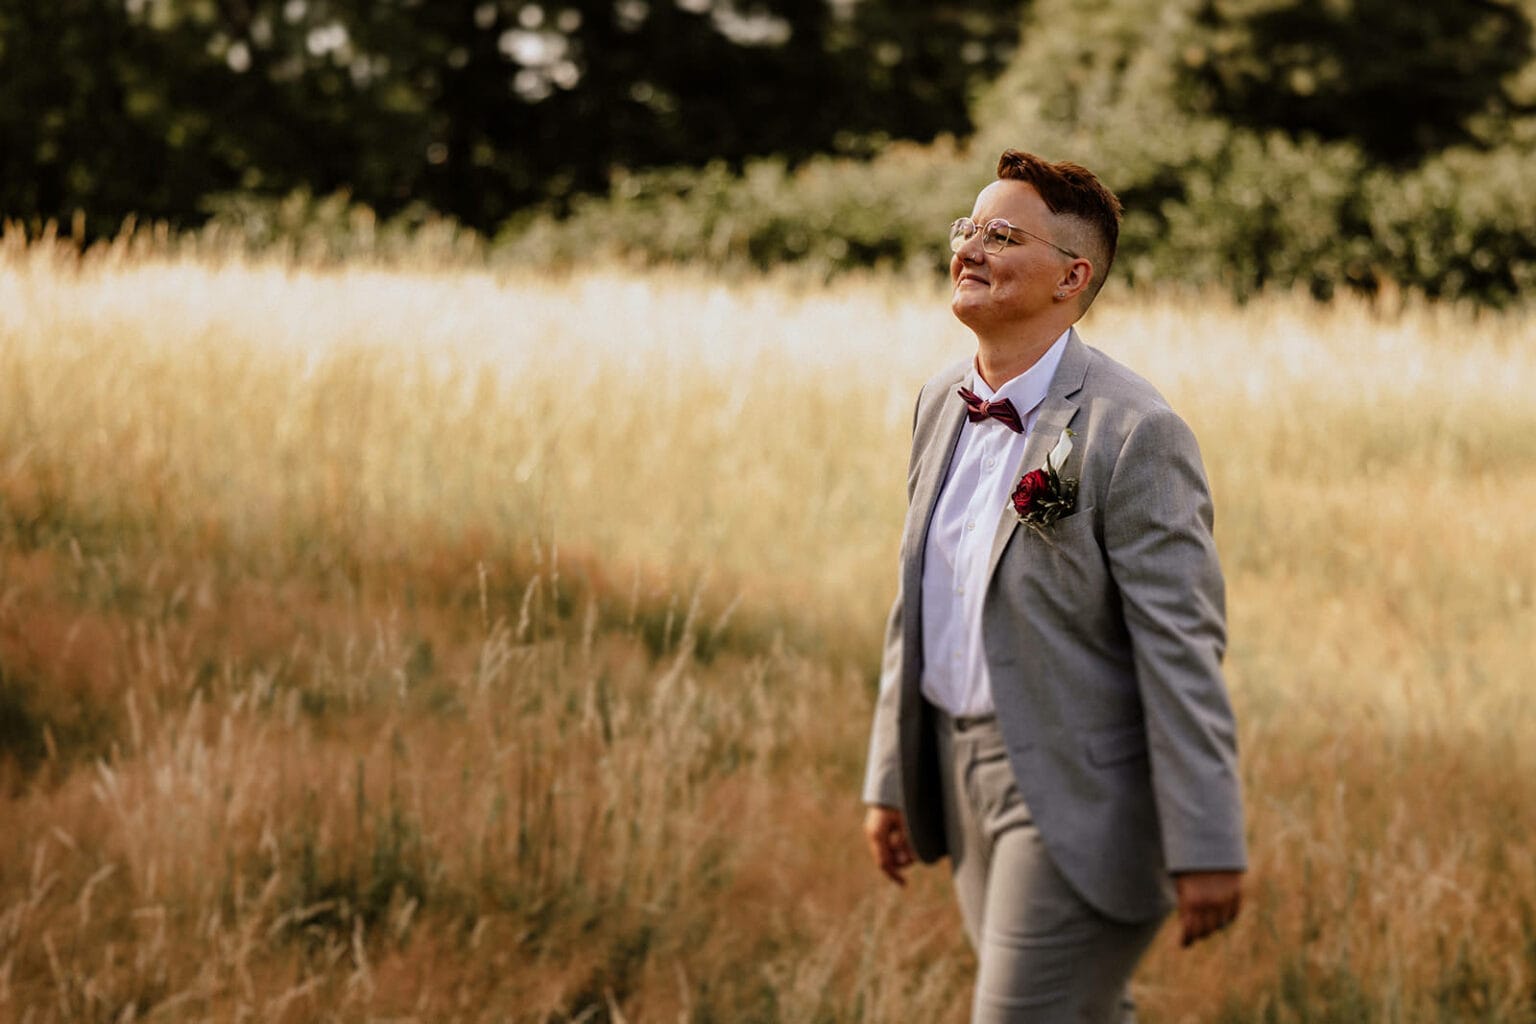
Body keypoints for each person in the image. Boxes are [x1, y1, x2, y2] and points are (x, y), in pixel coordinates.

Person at [861, 150, 1247, 1023]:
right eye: (967, 228)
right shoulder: (937, 403)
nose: (970, 248)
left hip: (1081, 794)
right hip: (961, 782)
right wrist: (893, 774)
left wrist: (1209, 837)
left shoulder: (1134, 430)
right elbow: (915, 602)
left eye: (1002, 235)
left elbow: (1180, 646)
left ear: (1072, 276)